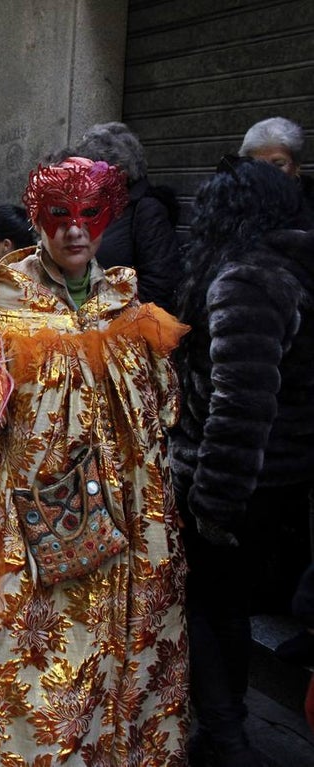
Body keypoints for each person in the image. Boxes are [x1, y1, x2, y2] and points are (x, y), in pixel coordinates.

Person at [0, 157, 190, 764]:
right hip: (27, 533)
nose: (75, 229)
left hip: (126, 528)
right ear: (39, 219)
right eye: (59, 214)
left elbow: (161, 416)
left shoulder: (127, 308)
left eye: (90, 214)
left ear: (108, 218)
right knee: (33, 676)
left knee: (119, 664)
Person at [169, 156, 314, 767]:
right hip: (276, 478)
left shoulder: (247, 281)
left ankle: (226, 738)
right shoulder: (289, 269)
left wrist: (212, 501)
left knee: (207, 608)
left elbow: (240, 404)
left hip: (237, 482)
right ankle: (223, 729)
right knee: (226, 608)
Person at [73, 121, 182, 313]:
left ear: (120, 173)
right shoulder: (98, 206)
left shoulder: (147, 210)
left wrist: (102, 310)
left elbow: (158, 285)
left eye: (93, 172)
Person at [239, 116, 314, 213]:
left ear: (296, 166)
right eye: (258, 165)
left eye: (279, 164)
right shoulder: (233, 203)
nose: (268, 172)